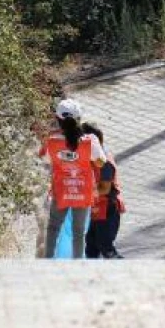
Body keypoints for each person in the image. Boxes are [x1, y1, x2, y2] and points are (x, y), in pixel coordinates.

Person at [40, 99, 106, 259]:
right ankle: (77, 265)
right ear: (79, 119)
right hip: (82, 190)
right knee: (79, 232)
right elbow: (101, 161)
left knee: (54, 227)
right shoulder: (90, 140)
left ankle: (47, 261)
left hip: (61, 189)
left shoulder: (51, 140)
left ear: (58, 119)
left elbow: (45, 159)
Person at [81, 123, 125, 259]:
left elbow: (105, 189)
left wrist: (79, 194)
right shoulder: (90, 157)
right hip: (94, 209)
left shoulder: (105, 163)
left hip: (108, 210)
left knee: (105, 245)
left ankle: (124, 271)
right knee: (90, 248)